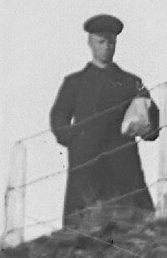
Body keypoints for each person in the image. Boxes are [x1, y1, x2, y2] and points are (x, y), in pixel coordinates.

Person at [49, 13, 159, 225]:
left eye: (111, 42)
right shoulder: (75, 82)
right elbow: (59, 116)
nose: (107, 47)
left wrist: (148, 128)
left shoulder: (130, 81)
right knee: (82, 223)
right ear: (90, 43)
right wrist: (74, 137)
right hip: (86, 160)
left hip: (122, 159)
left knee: (135, 220)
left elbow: (149, 114)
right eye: (101, 42)